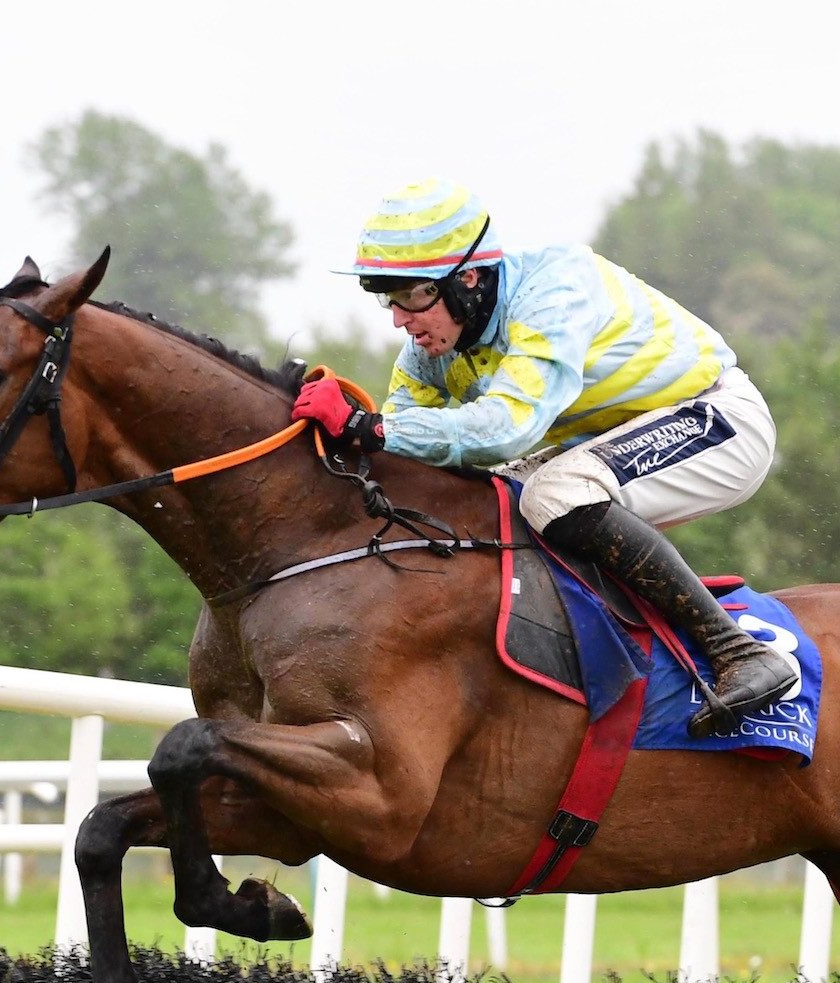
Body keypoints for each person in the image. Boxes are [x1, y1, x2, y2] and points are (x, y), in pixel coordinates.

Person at [291, 179, 797, 738]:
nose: (400, 320)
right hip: (614, 439)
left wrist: (371, 427)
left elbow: (507, 428)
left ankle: (738, 653)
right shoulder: (430, 350)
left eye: (413, 295)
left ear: (469, 278)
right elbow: (409, 454)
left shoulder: (554, 290)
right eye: (388, 298)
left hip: (718, 419)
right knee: (481, 505)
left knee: (557, 495)